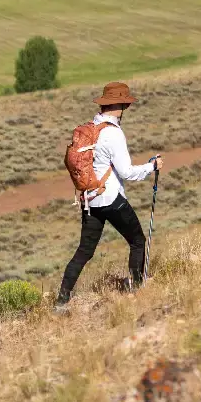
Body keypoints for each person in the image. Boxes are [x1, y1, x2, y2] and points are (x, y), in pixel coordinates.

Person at [56, 82, 163, 308]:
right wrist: (151, 166)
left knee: (84, 252)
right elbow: (126, 172)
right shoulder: (113, 133)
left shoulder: (90, 129)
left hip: (91, 201)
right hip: (111, 199)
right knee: (137, 241)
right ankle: (137, 287)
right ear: (122, 105)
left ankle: (62, 300)